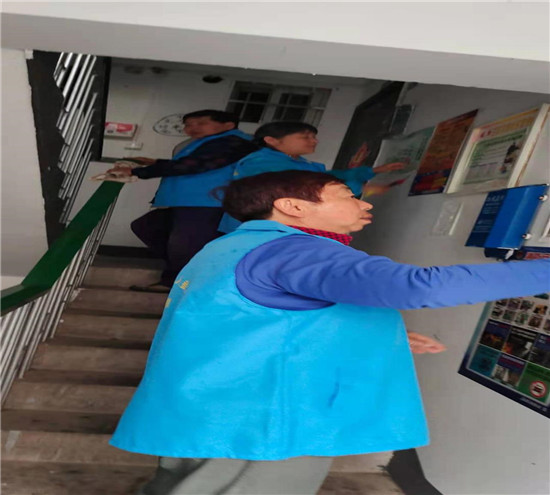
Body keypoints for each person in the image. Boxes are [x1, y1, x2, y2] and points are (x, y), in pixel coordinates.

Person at [110, 170, 550, 495]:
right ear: (293, 207)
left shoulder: (233, 246)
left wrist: (374, 336)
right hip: (263, 422)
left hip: (206, 408)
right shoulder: (295, 250)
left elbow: (248, 316)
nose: (365, 205)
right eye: (348, 195)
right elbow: (420, 287)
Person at [106, 109, 258, 292]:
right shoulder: (213, 141)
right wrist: (155, 163)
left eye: (201, 123)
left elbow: (196, 165)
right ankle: (193, 273)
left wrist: (136, 171)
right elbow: (196, 162)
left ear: (228, 125)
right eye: (187, 124)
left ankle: (175, 284)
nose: (192, 128)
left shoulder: (232, 142)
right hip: (191, 201)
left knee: (185, 244)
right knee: (148, 227)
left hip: (207, 202)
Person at [217, 121, 404, 233]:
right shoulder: (261, 162)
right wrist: (360, 188)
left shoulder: (298, 162)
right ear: (272, 140)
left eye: (314, 137)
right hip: (259, 227)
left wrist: (374, 171)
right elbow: (303, 187)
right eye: (305, 137)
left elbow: (327, 177)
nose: (314, 141)